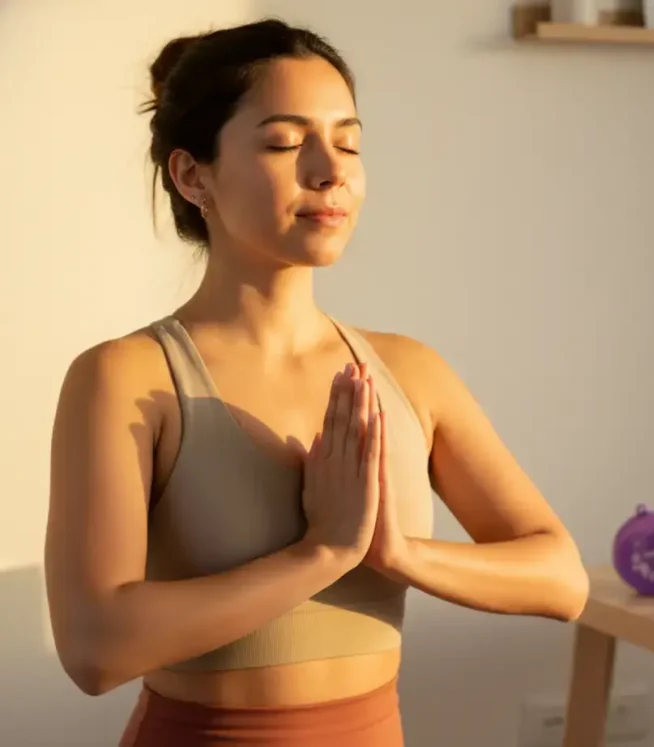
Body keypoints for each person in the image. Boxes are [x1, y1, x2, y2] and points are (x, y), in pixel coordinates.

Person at [43, 18, 589, 747]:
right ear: (192, 175)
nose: (332, 171)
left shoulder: (410, 371)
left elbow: (561, 579)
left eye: (349, 142)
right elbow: (94, 648)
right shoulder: (124, 377)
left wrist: (398, 553)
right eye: (284, 142)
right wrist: (322, 552)